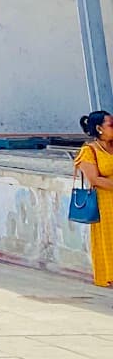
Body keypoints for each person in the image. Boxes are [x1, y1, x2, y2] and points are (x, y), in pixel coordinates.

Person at [75, 111, 113, 285]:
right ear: (99, 128)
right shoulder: (89, 151)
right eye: (111, 125)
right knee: (109, 240)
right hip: (106, 204)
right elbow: (94, 179)